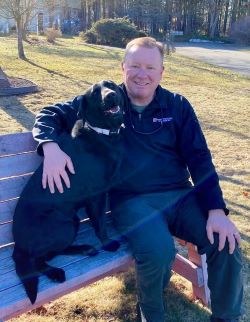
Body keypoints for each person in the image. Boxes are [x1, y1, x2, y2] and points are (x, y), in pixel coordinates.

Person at [32, 37, 243, 322]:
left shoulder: (177, 106)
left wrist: (217, 211)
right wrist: (50, 146)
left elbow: (200, 159)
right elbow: (50, 114)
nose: (142, 74)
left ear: (161, 72)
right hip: (132, 202)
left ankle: (226, 318)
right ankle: (151, 314)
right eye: (135, 66)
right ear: (123, 68)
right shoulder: (104, 100)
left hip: (180, 196)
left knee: (224, 242)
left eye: (150, 67)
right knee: (158, 250)